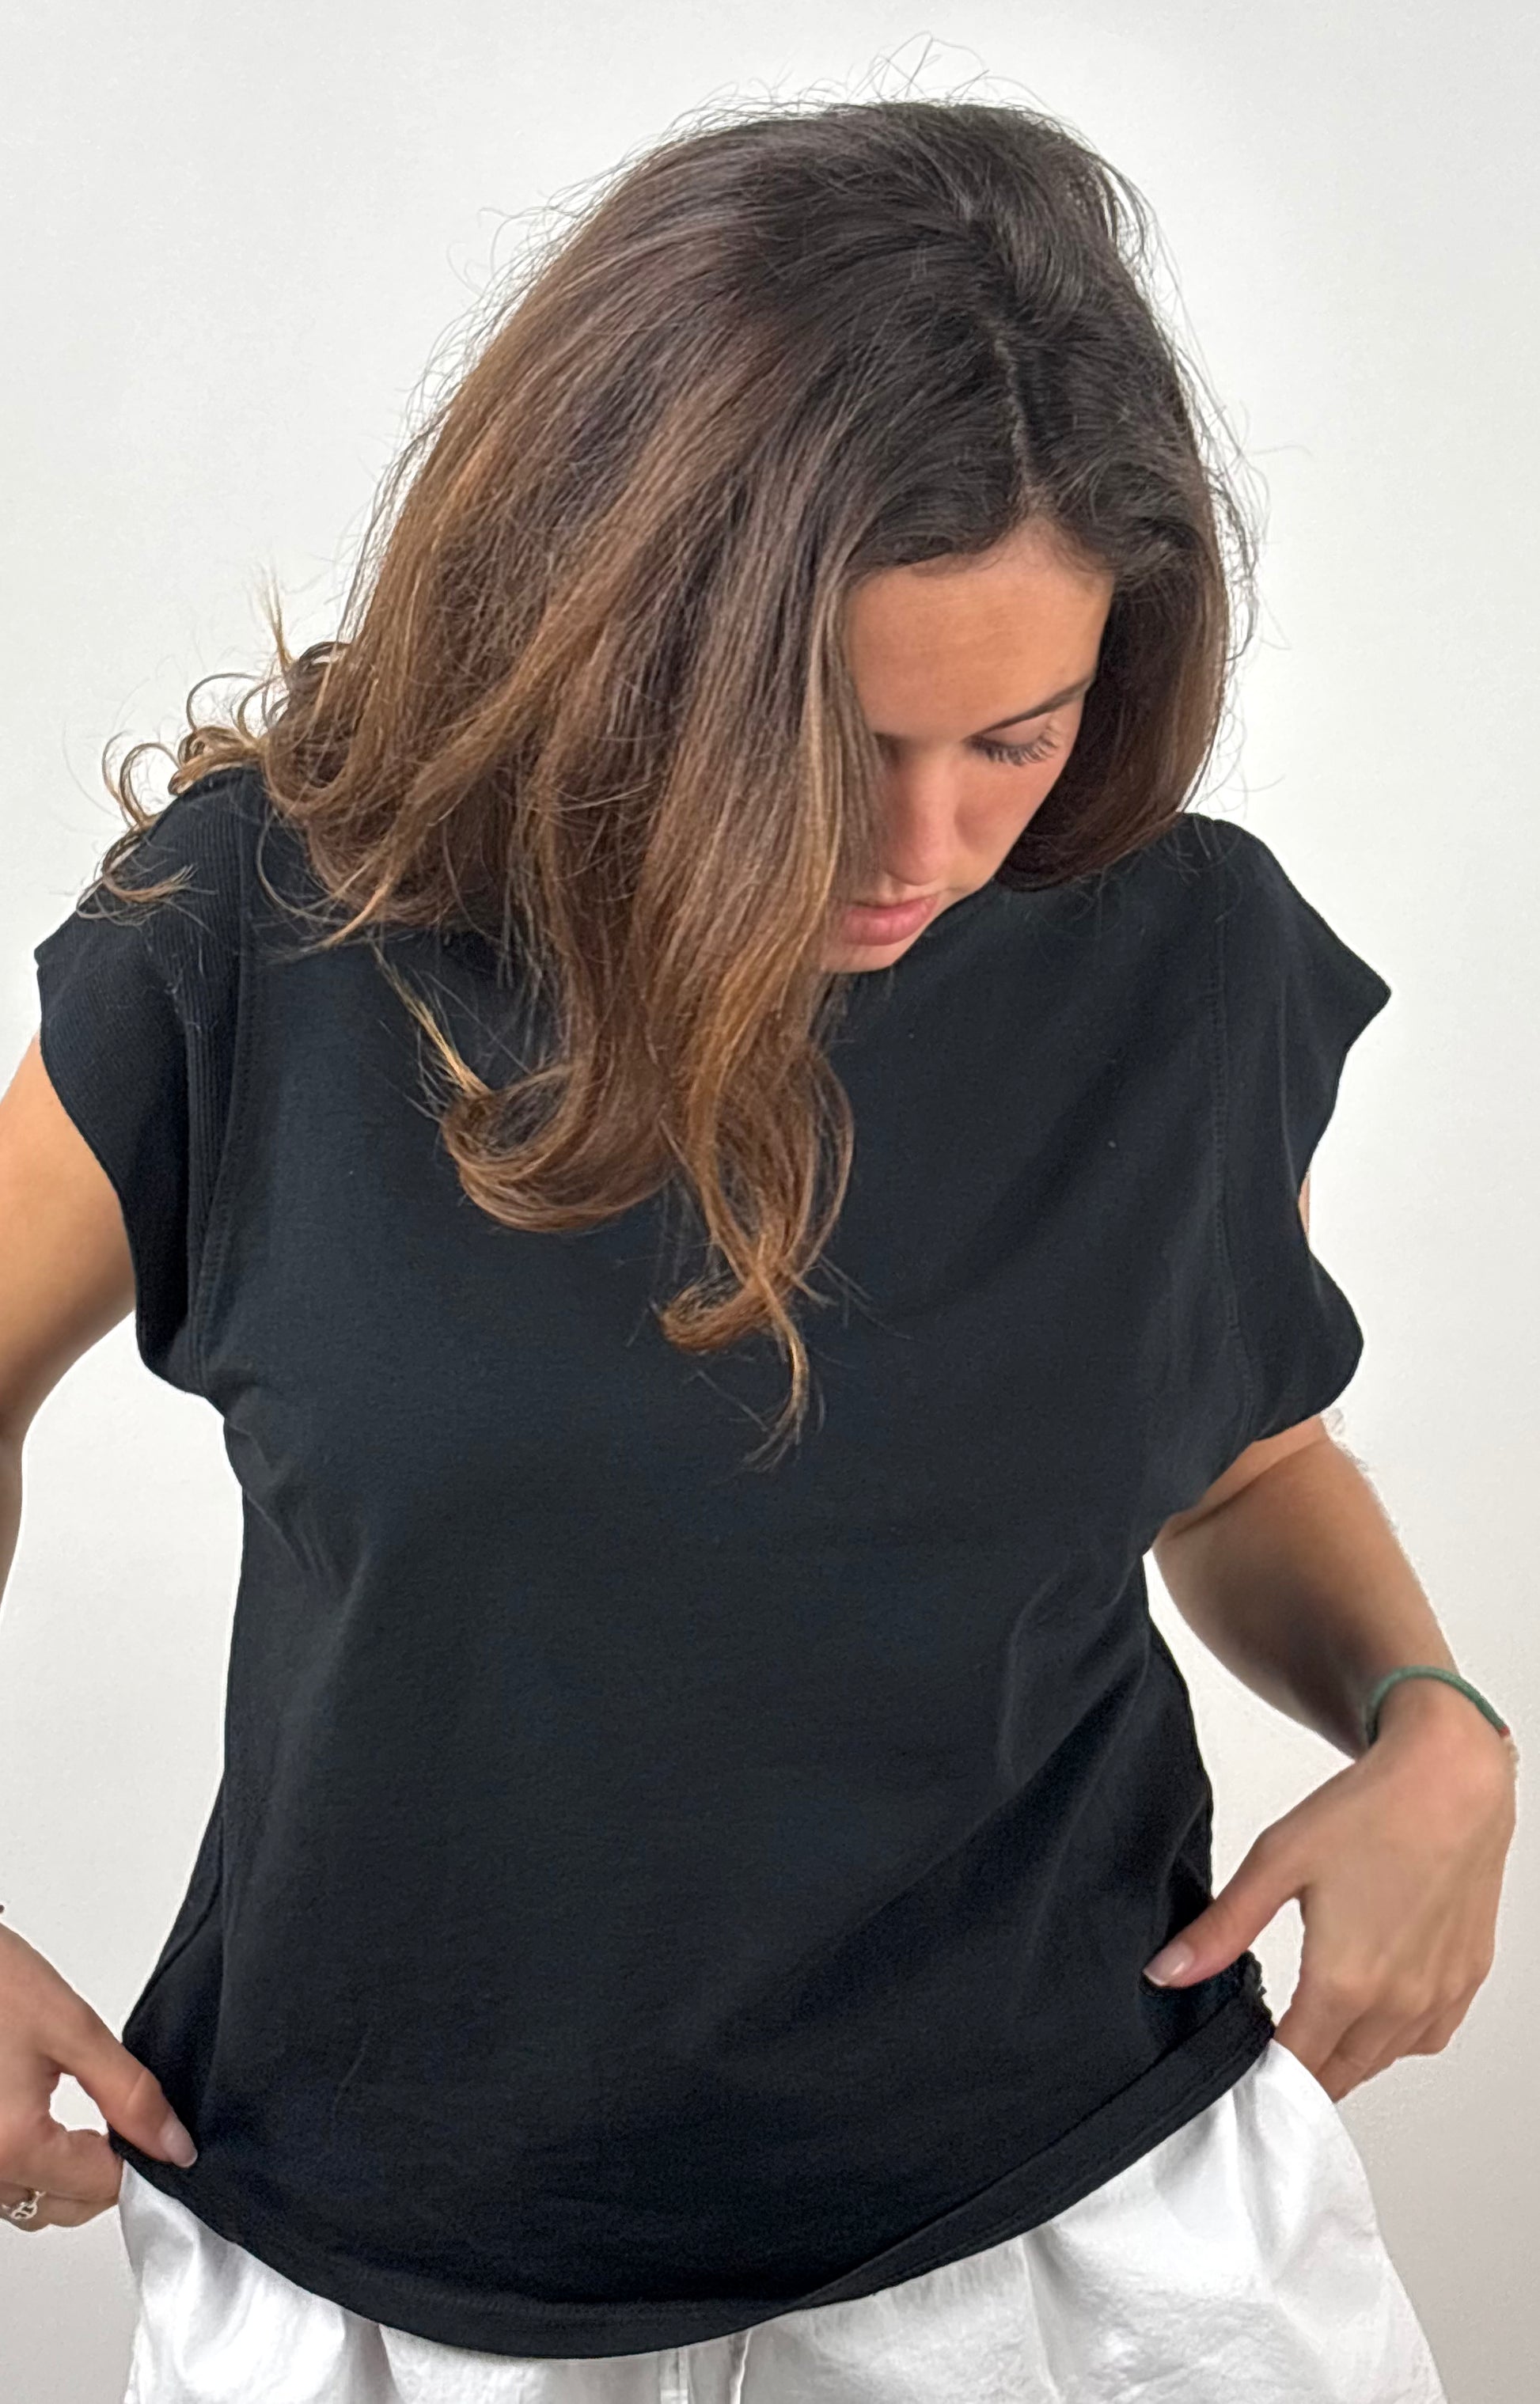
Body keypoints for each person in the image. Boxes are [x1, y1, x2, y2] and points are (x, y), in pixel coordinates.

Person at [0, 93, 1515, 2404]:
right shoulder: (262, 945)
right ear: (610, 633)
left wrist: (1434, 1724)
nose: (923, 846)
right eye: (827, 738)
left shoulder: (1178, 960)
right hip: (399, 2271)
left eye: (1015, 738)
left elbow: (1229, 1451)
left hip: (1095, 2241)